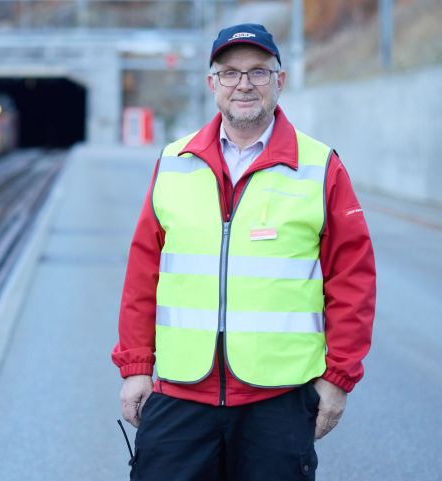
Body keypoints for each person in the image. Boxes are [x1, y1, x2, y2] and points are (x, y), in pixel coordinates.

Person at [112, 23, 375, 481]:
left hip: (278, 401)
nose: (244, 84)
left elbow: (353, 279)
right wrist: (136, 366)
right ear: (212, 83)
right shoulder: (174, 163)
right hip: (180, 395)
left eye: (258, 71)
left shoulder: (319, 167)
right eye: (230, 73)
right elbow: (143, 274)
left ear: (280, 80)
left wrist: (338, 379)